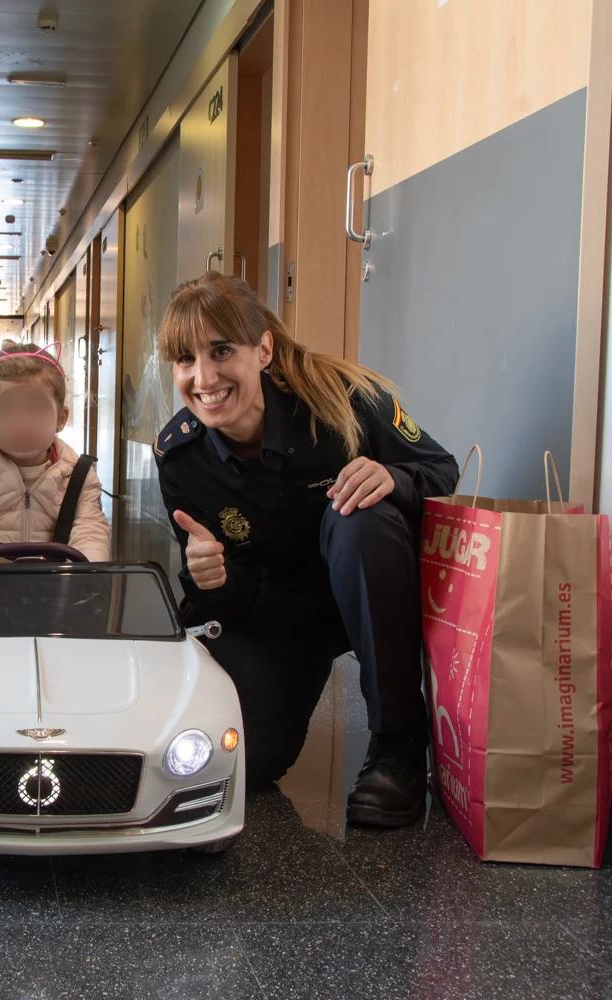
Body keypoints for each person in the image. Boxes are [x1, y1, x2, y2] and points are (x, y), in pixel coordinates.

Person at [153, 272, 458, 827]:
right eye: (185, 360)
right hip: (281, 611)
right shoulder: (180, 457)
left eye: (222, 350)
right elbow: (227, 601)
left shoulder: (342, 401)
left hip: (371, 590)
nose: (204, 377)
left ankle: (398, 745)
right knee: (251, 759)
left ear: (263, 349)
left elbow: (441, 470)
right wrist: (209, 578)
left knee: (358, 517)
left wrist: (392, 477)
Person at [0, 340, 110, 563]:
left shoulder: (79, 475)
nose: (22, 423)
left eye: (36, 407)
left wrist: (83, 578)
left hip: (58, 588)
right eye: (6, 409)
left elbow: (91, 536)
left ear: (61, 418)